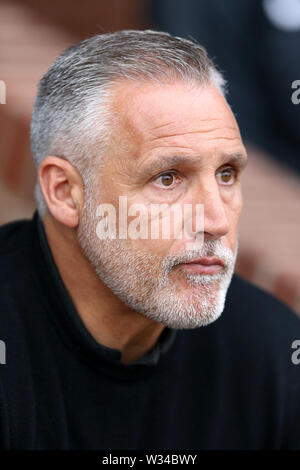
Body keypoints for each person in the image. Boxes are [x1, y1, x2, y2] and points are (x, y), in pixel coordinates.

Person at [0, 30, 299, 450]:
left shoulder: (270, 352)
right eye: (167, 178)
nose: (215, 220)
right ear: (66, 192)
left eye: (227, 173)